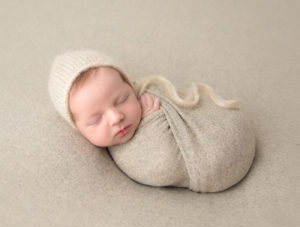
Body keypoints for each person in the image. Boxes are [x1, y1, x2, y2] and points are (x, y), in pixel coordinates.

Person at [49, 50, 255, 193]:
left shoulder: (148, 98)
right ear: (77, 128)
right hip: (212, 168)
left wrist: (151, 116)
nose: (116, 117)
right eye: (96, 119)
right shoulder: (128, 151)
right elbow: (161, 168)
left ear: (131, 87)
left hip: (223, 140)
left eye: (122, 100)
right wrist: (152, 124)